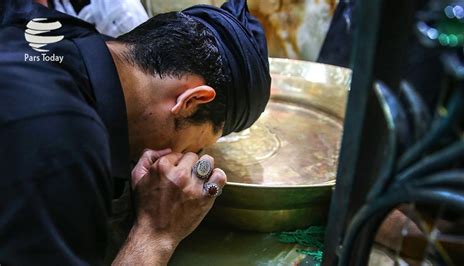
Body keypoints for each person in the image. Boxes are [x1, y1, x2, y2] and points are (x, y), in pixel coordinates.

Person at [0, 0, 271, 264]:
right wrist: (155, 233)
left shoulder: (52, 28)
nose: (184, 158)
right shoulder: (65, 144)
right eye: (195, 149)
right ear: (190, 101)